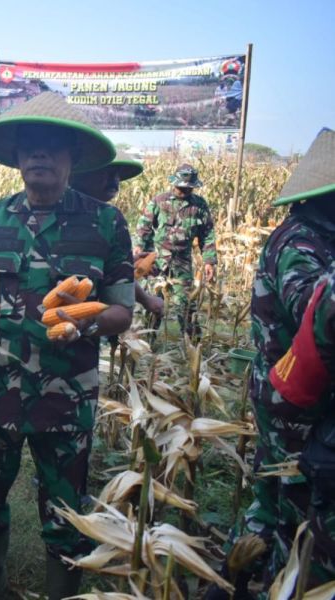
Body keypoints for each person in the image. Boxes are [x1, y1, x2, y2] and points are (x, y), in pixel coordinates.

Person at [0, 92, 135, 600]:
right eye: (30, 147)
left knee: (66, 507)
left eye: (53, 148)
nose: (40, 156)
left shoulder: (105, 223)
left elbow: (121, 309)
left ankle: (63, 593)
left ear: (73, 158)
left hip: (67, 395)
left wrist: (87, 325)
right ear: (15, 157)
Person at [213, 127, 335, 596]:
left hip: (287, 400)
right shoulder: (300, 242)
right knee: (296, 514)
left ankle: (231, 580)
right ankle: (270, 582)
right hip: (294, 410)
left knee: (268, 500)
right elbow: (310, 306)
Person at [70, 152, 164, 318]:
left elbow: (110, 273)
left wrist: (125, 264)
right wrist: (147, 300)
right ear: (81, 175)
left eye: (117, 175)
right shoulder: (71, 216)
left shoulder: (108, 218)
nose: (114, 181)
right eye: (106, 173)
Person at [134, 163, 217, 337]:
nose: (184, 191)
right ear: (174, 183)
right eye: (181, 187)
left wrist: (209, 261)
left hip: (182, 262)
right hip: (157, 259)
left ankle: (192, 345)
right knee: (153, 303)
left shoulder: (199, 206)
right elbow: (144, 226)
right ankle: (147, 344)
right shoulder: (159, 201)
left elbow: (208, 234)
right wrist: (140, 247)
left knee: (186, 304)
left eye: (189, 188)